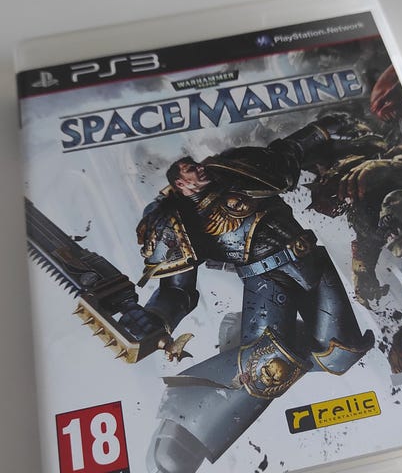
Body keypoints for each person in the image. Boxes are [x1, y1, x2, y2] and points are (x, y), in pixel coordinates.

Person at [120, 118, 374, 473]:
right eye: (188, 170)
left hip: (311, 262)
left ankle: (246, 340)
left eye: (194, 164)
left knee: (339, 355)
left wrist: (324, 130)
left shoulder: (236, 168)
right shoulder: (174, 219)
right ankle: (178, 437)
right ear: (180, 184)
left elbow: (288, 152)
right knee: (270, 366)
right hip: (267, 280)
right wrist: (154, 318)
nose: (197, 167)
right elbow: (177, 289)